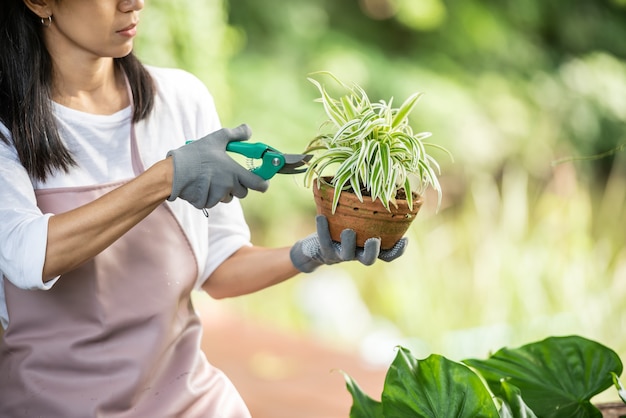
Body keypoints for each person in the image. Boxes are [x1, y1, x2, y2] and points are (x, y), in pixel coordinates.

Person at [0, 0, 408, 416]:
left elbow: (221, 267)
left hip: (193, 404)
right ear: (39, 1)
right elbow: (28, 255)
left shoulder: (179, 99)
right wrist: (165, 177)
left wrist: (312, 252)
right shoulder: (6, 125)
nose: (135, 3)